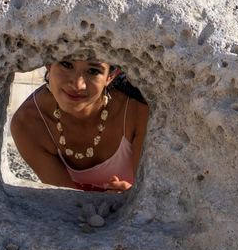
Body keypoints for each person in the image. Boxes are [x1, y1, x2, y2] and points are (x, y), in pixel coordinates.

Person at [11, 60, 149, 192]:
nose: (77, 85)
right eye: (67, 64)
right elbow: (67, 203)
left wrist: (130, 200)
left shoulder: (136, 110)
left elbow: (149, 195)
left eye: (93, 71)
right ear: (48, 63)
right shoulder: (29, 123)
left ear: (110, 76)